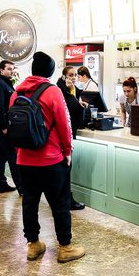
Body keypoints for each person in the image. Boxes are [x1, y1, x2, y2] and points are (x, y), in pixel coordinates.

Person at [13, 51, 85, 263]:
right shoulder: (53, 91)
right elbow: (64, 125)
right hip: (51, 159)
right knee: (60, 203)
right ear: (50, 72)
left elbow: (15, 125)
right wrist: (68, 151)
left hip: (24, 159)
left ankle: (33, 245)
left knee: (29, 203)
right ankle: (65, 247)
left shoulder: (17, 92)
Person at [0, 60, 22, 193]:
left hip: (3, 125)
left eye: (12, 69)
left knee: (2, 155)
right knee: (12, 155)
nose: (11, 71)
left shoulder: (6, 83)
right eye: (9, 69)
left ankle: (2, 183)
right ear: (1, 70)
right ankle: (21, 187)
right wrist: (4, 126)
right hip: (2, 126)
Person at [56, 66, 85, 211]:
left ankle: (64, 199)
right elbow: (74, 107)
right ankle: (66, 200)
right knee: (65, 168)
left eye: (75, 75)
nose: (73, 78)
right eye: (71, 75)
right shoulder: (61, 90)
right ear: (64, 76)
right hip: (63, 135)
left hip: (66, 132)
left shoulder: (71, 89)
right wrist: (73, 93)